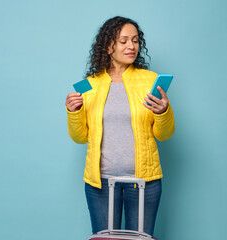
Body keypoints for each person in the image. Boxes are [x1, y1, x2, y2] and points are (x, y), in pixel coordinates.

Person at [65, 16, 175, 236]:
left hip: (143, 181)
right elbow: (80, 137)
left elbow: (164, 135)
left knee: (141, 238)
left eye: (135, 40)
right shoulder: (90, 85)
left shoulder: (150, 80)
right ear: (108, 46)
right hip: (101, 183)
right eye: (123, 41)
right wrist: (73, 112)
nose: (131, 46)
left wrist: (163, 111)